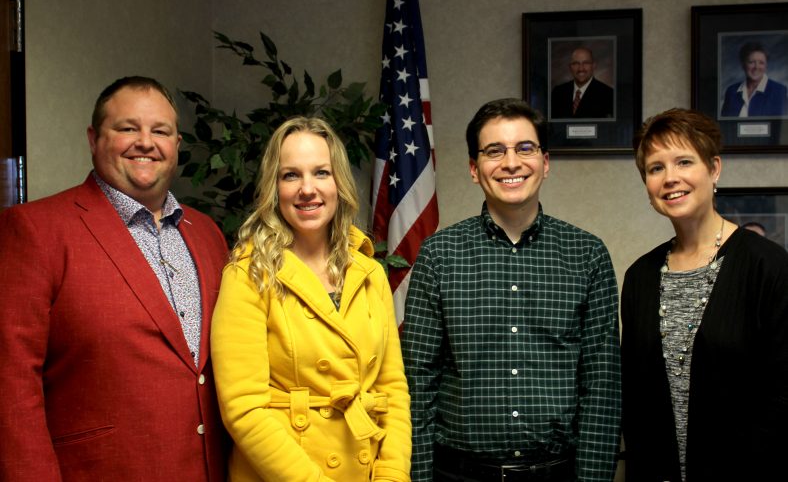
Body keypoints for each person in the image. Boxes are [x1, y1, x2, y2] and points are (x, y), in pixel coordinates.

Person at [0, 76, 229, 480]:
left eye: (161, 131)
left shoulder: (208, 234)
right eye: (127, 128)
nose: (146, 142)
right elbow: (11, 386)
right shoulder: (36, 230)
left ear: (177, 144)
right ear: (93, 138)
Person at [402, 98, 621, 482]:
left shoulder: (587, 255)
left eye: (525, 148)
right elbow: (417, 384)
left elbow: (601, 387)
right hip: (459, 474)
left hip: (558, 473)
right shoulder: (439, 256)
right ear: (474, 169)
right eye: (494, 151)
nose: (511, 163)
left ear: (545, 163)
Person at [210, 116, 411, 481]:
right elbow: (244, 409)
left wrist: (392, 475)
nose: (307, 188)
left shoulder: (370, 273)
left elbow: (393, 390)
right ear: (274, 187)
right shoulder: (247, 274)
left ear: (339, 183)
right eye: (291, 175)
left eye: (321, 172)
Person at [622, 108, 788, 481]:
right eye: (655, 168)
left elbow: (781, 398)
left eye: (684, 161)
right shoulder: (640, 277)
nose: (670, 178)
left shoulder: (768, 266)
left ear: (714, 169)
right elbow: (635, 401)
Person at [720, 41, 788, 118]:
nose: (756, 67)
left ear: (766, 66)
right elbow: (724, 126)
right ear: (743, 64)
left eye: (761, 63)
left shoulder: (779, 91)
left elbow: (780, 127)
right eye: (751, 62)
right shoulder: (731, 91)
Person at [550, 46, 614, 119]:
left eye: (586, 63)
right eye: (576, 63)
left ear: (593, 66)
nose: (581, 68)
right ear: (570, 67)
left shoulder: (608, 95)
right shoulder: (558, 93)